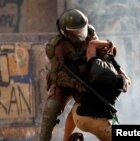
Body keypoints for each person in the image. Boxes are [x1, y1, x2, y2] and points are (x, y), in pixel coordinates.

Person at [39, 9, 99, 141]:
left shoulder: (90, 34)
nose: (80, 34)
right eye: (75, 32)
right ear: (65, 32)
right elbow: (56, 75)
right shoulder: (55, 46)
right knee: (50, 110)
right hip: (64, 83)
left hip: (86, 81)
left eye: (81, 29)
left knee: (103, 107)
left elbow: (100, 54)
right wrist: (75, 84)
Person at [68, 40, 131, 141]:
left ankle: (65, 138)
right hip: (101, 124)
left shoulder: (94, 65)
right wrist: (114, 62)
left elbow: (91, 44)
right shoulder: (119, 80)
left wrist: (109, 44)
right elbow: (128, 80)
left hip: (81, 119)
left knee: (75, 107)